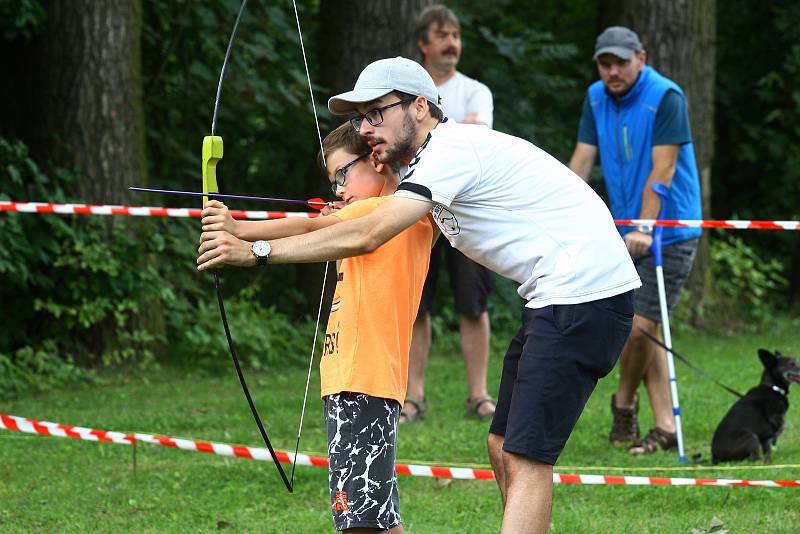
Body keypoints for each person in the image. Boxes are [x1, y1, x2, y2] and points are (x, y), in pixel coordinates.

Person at [198, 56, 640, 533]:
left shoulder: (449, 151)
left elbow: (368, 232)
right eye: (359, 118)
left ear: (421, 107)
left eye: (376, 113)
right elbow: (343, 219)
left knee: (527, 458)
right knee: (503, 444)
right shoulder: (429, 164)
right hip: (556, 299)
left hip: (584, 297)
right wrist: (240, 230)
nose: (366, 128)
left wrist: (256, 252)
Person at [199, 122, 434, 533]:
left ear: (377, 160)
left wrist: (239, 231)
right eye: (334, 181)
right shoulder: (369, 216)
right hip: (353, 382)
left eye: (343, 174)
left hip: (365, 381)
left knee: (363, 522)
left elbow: (311, 227)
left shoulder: (390, 213)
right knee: (369, 518)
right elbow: (320, 225)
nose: (339, 190)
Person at [568, 26, 702, 455]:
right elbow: (582, 160)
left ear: (641, 58)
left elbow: (663, 169)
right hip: (623, 230)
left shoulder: (666, 96)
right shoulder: (595, 98)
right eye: (605, 63)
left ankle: (623, 403)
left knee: (640, 326)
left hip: (669, 227)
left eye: (621, 62)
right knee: (646, 327)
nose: (612, 71)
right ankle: (665, 426)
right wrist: (558, 214)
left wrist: (644, 225)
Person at [401, 4, 497, 423]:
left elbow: (478, 139)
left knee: (473, 305)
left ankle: (479, 395)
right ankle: (412, 397)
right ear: (424, 44)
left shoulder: (477, 91)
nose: (452, 43)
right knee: (415, 304)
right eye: (442, 35)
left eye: (456, 35)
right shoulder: (407, 95)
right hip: (416, 211)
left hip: (467, 212)